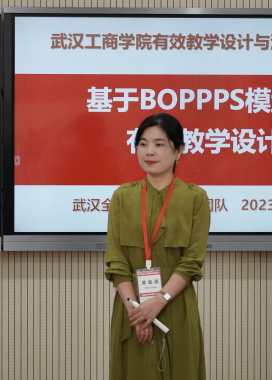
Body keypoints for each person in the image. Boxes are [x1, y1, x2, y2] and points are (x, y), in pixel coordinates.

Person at [105, 112, 210, 380]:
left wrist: (158, 301)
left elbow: (191, 262)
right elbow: (116, 262)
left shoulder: (195, 198)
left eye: (159, 144)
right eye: (142, 144)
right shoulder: (122, 197)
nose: (149, 151)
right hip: (132, 311)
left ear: (178, 151)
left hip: (176, 307)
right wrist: (137, 311)